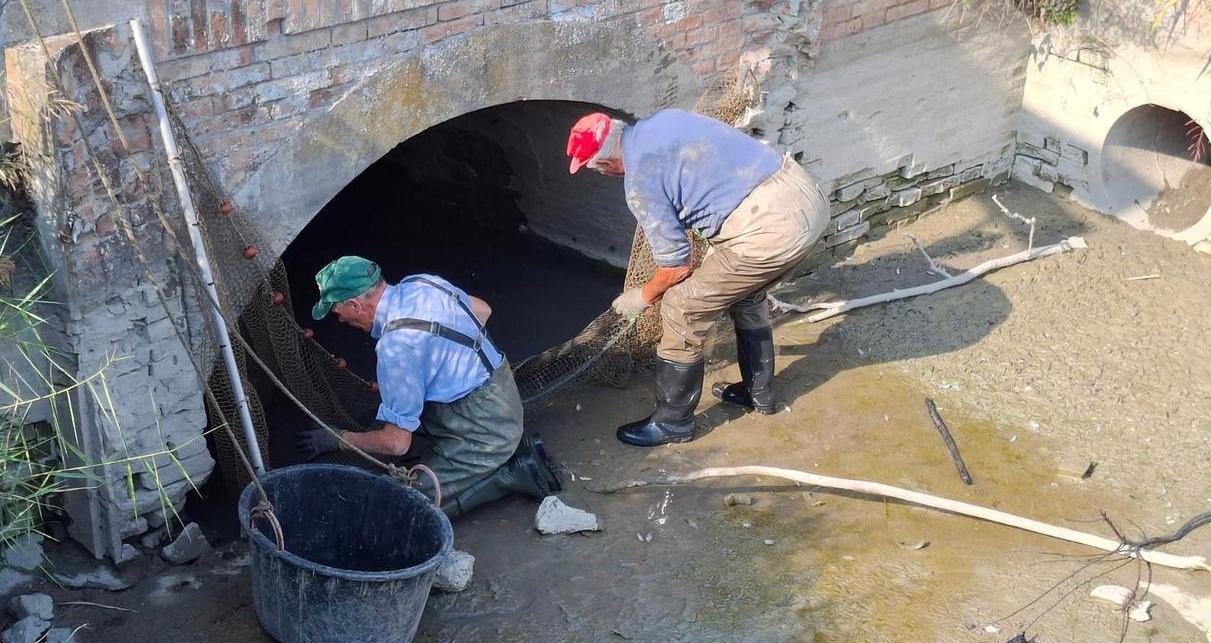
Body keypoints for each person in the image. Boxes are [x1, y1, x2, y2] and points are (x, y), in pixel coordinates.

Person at [566, 109, 830, 446]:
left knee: (681, 306)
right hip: (804, 195)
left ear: (605, 163)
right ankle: (758, 393)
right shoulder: (666, 119)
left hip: (767, 229)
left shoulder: (640, 183)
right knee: (746, 294)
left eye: (597, 169)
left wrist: (643, 296)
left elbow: (676, 267)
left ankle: (672, 423)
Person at [293, 256, 559, 518]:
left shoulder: (395, 348)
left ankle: (513, 474)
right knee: (400, 425)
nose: (339, 320)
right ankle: (483, 452)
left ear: (354, 305)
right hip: (501, 392)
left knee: (400, 506)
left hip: (488, 431)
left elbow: (396, 444)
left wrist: (340, 439)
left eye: (336, 312)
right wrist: (444, 366)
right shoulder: (420, 283)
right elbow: (482, 310)